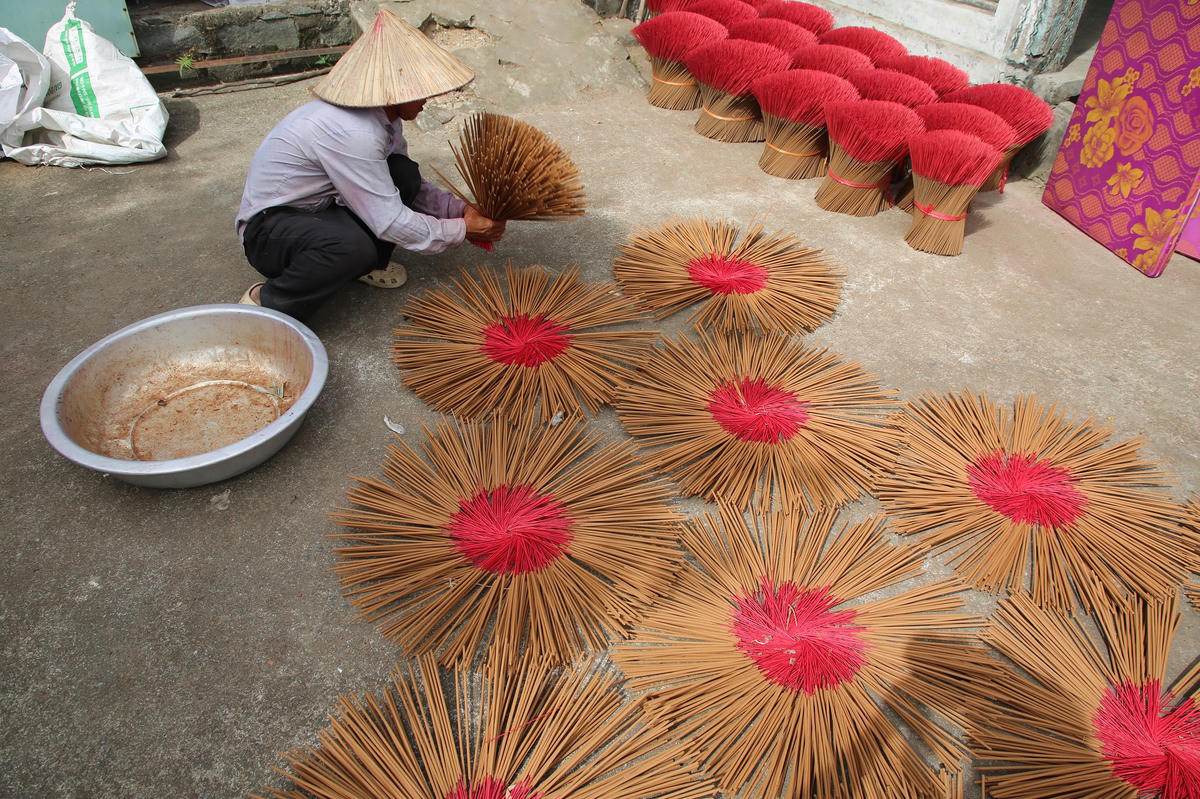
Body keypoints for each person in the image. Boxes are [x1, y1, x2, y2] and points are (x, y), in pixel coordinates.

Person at [235, 9, 504, 320]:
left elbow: (403, 187)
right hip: (268, 231)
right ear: (393, 91)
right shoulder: (354, 131)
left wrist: (458, 210)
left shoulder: (383, 118)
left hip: (317, 209)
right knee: (351, 249)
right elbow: (388, 221)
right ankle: (267, 301)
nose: (428, 98)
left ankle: (363, 265)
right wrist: (460, 230)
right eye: (420, 90)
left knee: (403, 173)